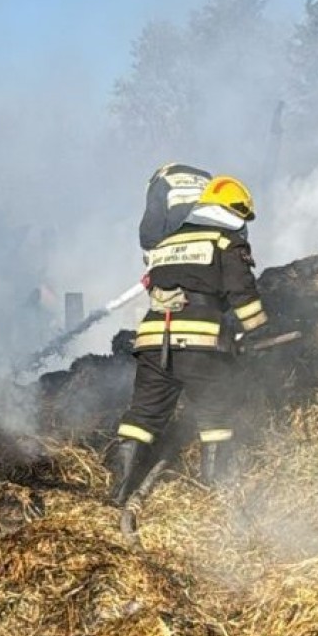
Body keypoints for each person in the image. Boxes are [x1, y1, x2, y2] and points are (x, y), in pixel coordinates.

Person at [110, 175, 268, 506]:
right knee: (214, 413)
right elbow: (243, 295)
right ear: (231, 211)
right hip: (200, 342)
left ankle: (119, 490)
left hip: (154, 342)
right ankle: (214, 488)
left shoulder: (164, 244)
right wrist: (256, 333)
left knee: (143, 416)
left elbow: (157, 288)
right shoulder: (225, 242)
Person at [139, 163, 213, 252]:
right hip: (216, 245)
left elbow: (150, 233)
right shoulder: (209, 180)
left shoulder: (161, 180)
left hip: (182, 250)